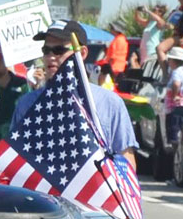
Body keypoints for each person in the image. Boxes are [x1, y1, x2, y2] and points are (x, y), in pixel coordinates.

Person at [11, 20, 138, 168]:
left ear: (82, 53)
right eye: (46, 50)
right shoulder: (27, 104)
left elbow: (126, 162)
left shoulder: (110, 103)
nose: (51, 56)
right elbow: (15, 160)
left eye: (59, 50)